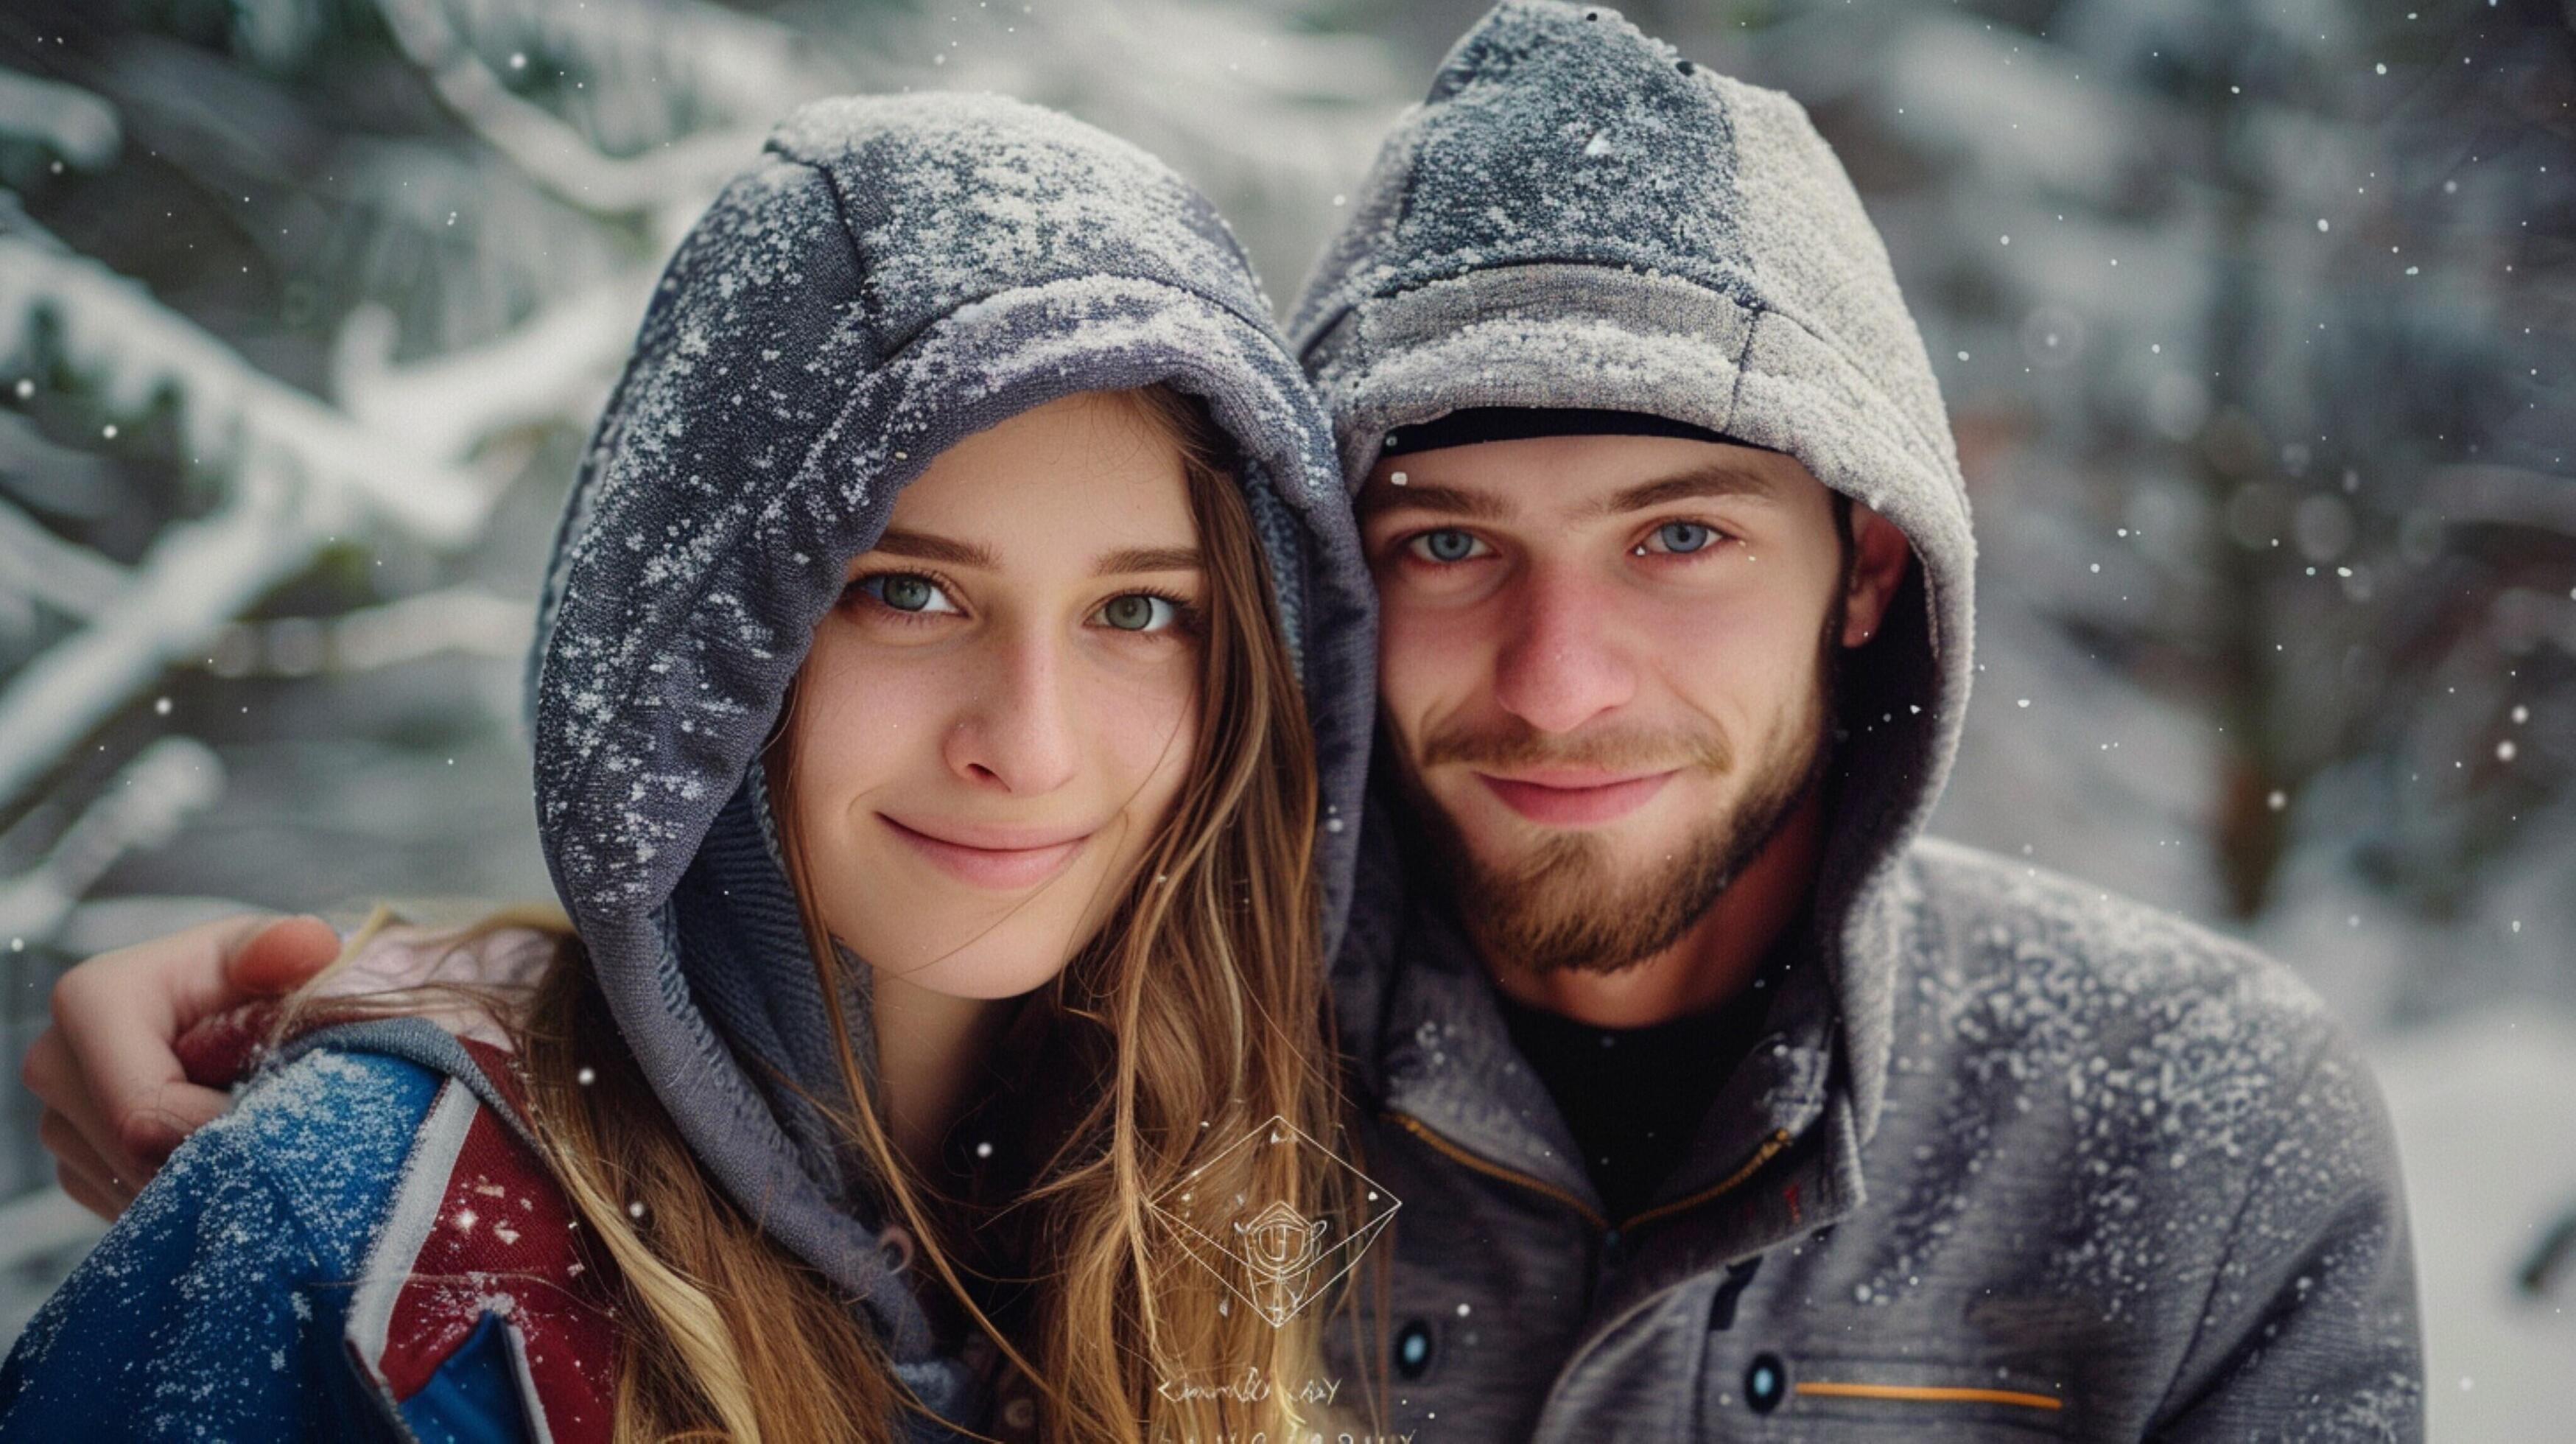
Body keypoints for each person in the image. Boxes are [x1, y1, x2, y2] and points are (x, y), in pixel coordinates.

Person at [27, 3, 2427, 1440]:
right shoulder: (1174, 1045)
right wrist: (382, 1030)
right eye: (1445, 546)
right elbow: (741, 1040)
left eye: (1680, 537)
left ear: (1865, 560)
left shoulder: (2181, 1137)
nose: (1559, 679)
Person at [3, 91, 1385, 1444]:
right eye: (905, 593)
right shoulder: (359, 1238)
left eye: (1138, 613)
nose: (1026, 745)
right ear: (696, 646)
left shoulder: (1280, 1206)